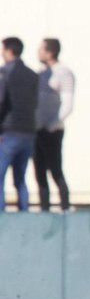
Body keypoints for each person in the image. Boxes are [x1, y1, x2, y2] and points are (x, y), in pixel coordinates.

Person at [34, 38, 73, 212]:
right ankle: (44, 210)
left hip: (52, 130)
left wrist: (52, 124)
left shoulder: (63, 73)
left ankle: (64, 208)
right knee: (39, 172)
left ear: (50, 52)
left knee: (55, 170)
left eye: (41, 49)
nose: (38, 53)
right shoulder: (40, 73)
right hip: (37, 130)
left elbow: (67, 103)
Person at [0, 36, 39, 212]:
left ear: (8, 51)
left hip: (9, 132)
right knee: (20, 179)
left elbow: (1, 102)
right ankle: (24, 212)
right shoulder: (32, 75)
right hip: (29, 132)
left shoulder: (4, 73)